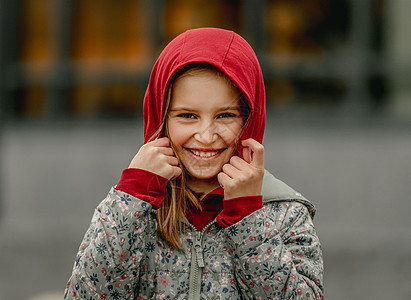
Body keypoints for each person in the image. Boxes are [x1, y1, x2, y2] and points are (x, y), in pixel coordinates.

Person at [64, 27, 324, 299]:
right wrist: (134, 196)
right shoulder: (131, 208)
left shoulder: (285, 213)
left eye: (225, 115)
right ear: (161, 118)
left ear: (250, 121)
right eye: (187, 115)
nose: (206, 136)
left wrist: (247, 217)